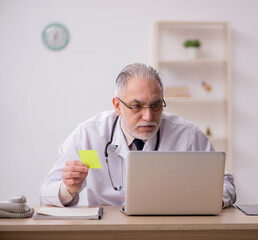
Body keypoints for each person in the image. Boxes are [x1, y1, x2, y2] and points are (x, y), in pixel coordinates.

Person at [40, 63, 236, 208]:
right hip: (107, 232)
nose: (148, 116)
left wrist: (208, 198)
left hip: (168, 229)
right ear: (117, 106)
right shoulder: (90, 135)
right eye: (136, 106)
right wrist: (68, 189)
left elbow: (226, 184)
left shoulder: (187, 135)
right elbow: (46, 191)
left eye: (156, 105)